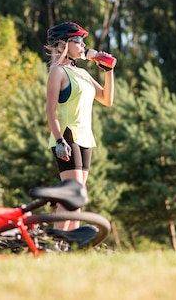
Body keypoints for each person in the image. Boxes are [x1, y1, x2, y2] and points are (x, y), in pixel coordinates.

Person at [45, 22, 116, 229]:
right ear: (64, 44)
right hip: (67, 136)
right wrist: (59, 140)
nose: (83, 45)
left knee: (78, 197)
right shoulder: (57, 72)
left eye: (83, 41)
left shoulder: (83, 73)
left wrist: (108, 70)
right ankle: (56, 244)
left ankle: (72, 246)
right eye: (78, 41)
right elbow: (50, 110)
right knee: (71, 195)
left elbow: (106, 99)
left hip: (85, 137)